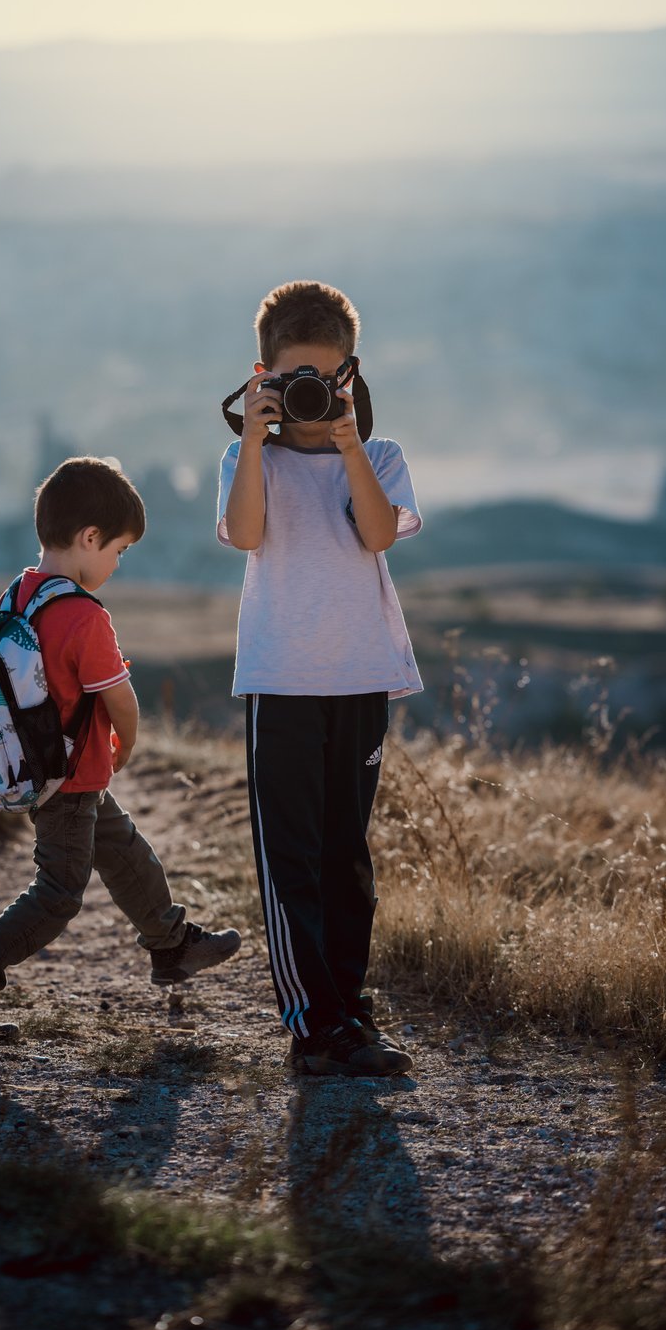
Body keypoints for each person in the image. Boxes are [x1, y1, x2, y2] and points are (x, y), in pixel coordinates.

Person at [0, 456, 241, 1044]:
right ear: (90, 538)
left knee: (122, 851)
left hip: (40, 767)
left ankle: (171, 945)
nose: (117, 564)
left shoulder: (19, 593)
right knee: (59, 894)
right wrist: (128, 744)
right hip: (66, 779)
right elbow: (121, 700)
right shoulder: (83, 616)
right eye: (118, 551)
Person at [217, 281, 422, 1077]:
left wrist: (345, 443)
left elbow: (376, 535)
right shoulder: (245, 456)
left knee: (348, 855)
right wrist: (261, 439)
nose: (309, 393)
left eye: (325, 379)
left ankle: (347, 1006)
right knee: (292, 855)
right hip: (284, 681)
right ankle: (313, 1027)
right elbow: (244, 533)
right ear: (262, 374)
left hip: (362, 677)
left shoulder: (380, 458)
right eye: (293, 378)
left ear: (350, 375)